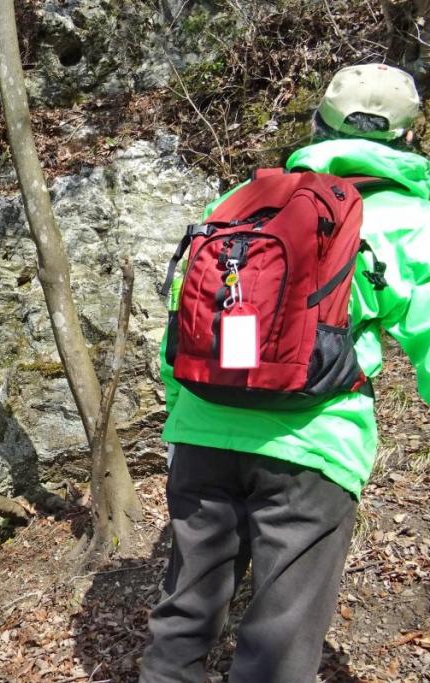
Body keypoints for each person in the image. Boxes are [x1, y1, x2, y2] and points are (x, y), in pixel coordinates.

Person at [141, 63, 430, 682]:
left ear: (317, 123)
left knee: (183, 616)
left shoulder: (242, 200)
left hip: (202, 429)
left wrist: (180, 419)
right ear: (409, 137)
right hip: (313, 445)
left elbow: (182, 319)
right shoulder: (411, 221)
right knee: (280, 640)